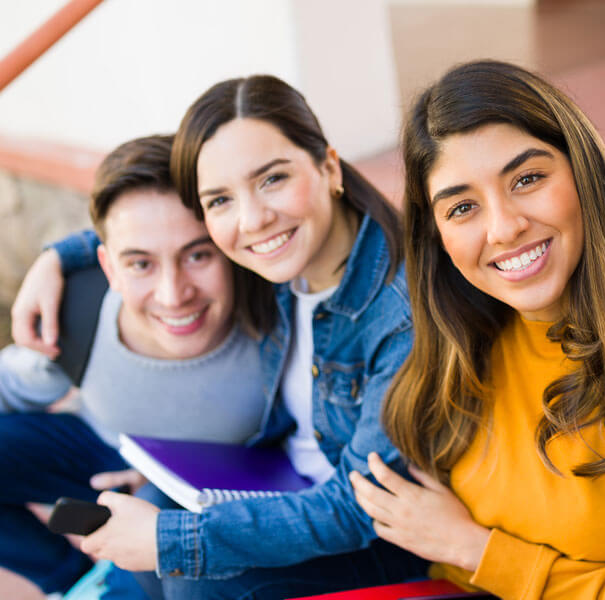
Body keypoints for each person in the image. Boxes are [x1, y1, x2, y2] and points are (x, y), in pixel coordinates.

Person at [348, 60, 605, 599]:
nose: (504, 228)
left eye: (527, 179)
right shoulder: (453, 349)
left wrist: (478, 552)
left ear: (581, 171)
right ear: (436, 235)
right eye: (463, 207)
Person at [12, 75, 426, 599]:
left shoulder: (397, 314)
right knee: (159, 514)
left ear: (329, 166)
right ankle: (80, 581)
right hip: (274, 482)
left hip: (368, 535)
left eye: (273, 179)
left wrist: (173, 541)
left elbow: (360, 507)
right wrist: (56, 258)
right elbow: (144, 228)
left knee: (190, 567)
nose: (253, 219)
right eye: (221, 200)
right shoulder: (271, 263)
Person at [0, 134, 268, 598]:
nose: (173, 295)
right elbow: (10, 385)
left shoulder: (277, 321)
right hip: (102, 454)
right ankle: (70, 580)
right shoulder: (81, 313)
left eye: (198, 255)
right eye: (141, 264)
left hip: (213, 493)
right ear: (110, 268)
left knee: (167, 548)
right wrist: (55, 257)